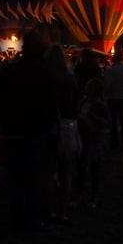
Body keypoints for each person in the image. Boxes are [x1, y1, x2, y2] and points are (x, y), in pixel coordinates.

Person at [0, 31, 58, 232]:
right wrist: (46, 124)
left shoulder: (10, 72)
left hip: (14, 132)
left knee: (16, 177)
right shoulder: (45, 73)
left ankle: (16, 217)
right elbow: (52, 104)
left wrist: (6, 121)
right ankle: (33, 220)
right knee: (36, 178)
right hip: (36, 133)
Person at [45, 43, 79, 223]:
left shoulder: (46, 79)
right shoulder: (70, 79)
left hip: (50, 128)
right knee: (66, 172)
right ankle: (63, 211)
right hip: (68, 127)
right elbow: (76, 104)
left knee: (50, 171)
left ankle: (49, 210)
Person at [74, 77, 108, 209]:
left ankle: (93, 195)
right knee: (81, 167)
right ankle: (80, 194)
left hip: (94, 139)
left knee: (94, 168)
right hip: (84, 137)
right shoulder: (83, 102)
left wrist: (92, 118)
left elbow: (106, 123)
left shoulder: (99, 105)